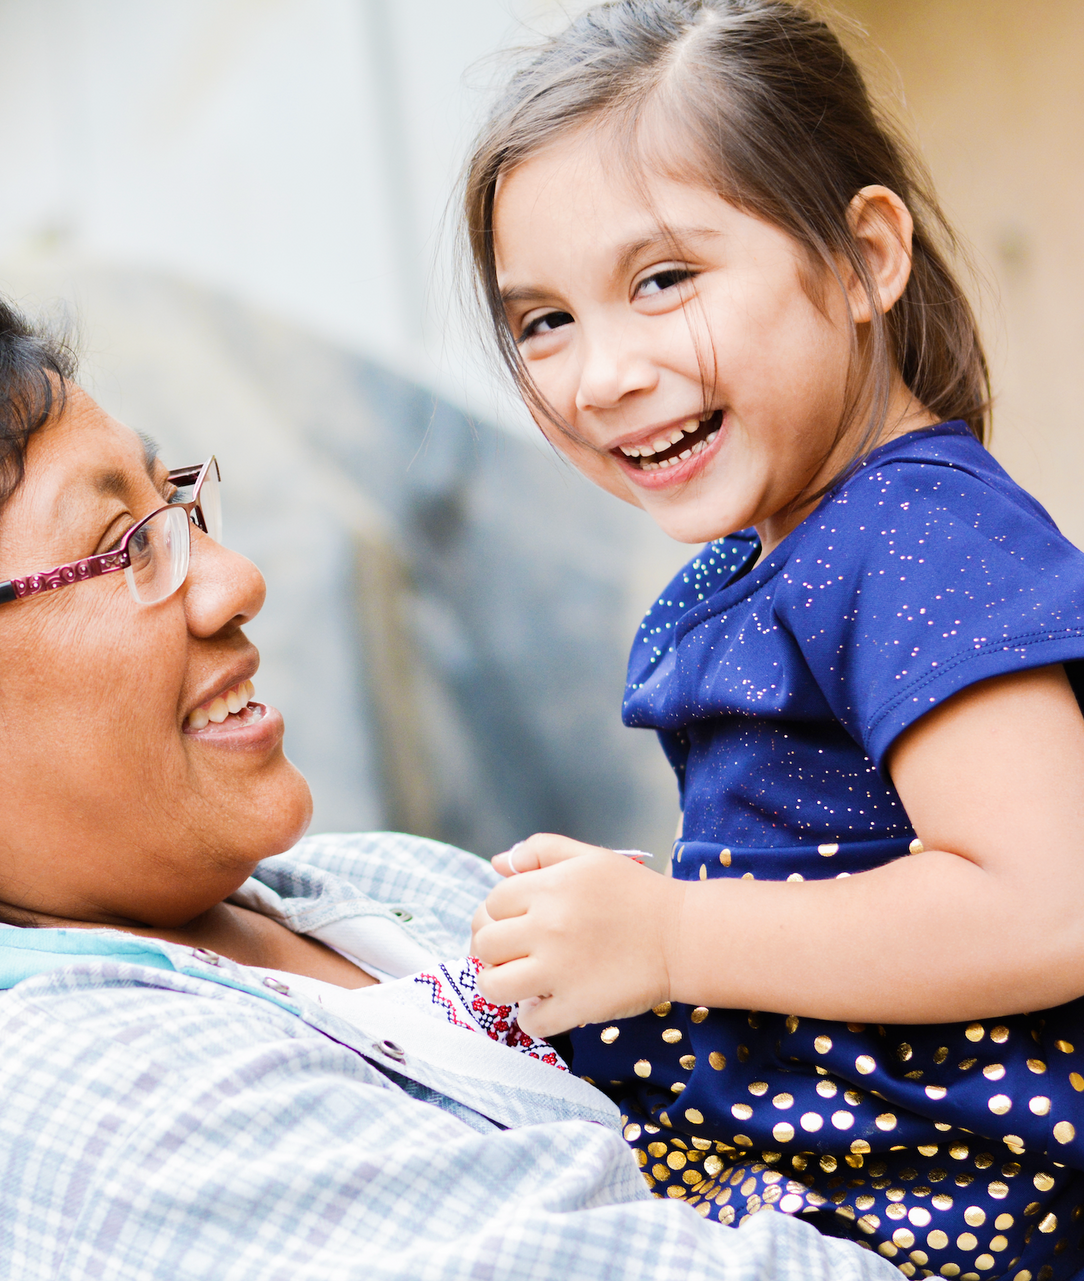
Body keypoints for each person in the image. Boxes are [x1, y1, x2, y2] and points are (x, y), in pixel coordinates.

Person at [0, 284, 895, 1279]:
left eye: (177, 508)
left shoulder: (359, 890)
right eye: (122, 545)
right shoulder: (54, 1116)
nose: (232, 580)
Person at [457, 3, 1084, 1278]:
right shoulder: (804, 543)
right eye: (544, 322)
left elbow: (1051, 901)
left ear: (861, 260)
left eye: (663, 281)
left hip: (964, 1206)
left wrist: (673, 936)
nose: (601, 376)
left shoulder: (917, 535)